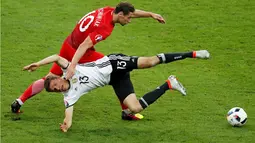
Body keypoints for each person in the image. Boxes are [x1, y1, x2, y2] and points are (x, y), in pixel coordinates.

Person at [11, 2, 166, 120]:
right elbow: (84, 45)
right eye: (129, 17)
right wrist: (72, 66)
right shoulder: (105, 27)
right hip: (80, 52)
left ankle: (19, 101)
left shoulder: (107, 10)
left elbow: (130, 12)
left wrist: (150, 14)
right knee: (114, 69)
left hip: (68, 44)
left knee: (49, 78)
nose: (130, 19)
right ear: (120, 14)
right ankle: (127, 111)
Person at [22, 49, 210, 132]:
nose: (59, 87)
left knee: (151, 62)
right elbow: (68, 115)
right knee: (135, 108)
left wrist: (38, 64)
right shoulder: (69, 95)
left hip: (113, 63)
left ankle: (192, 54)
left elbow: (56, 56)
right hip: (115, 79)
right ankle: (170, 83)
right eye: (56, 90)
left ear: (57, 78)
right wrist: (66, 125)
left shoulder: (67, 70)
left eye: (57, 84)